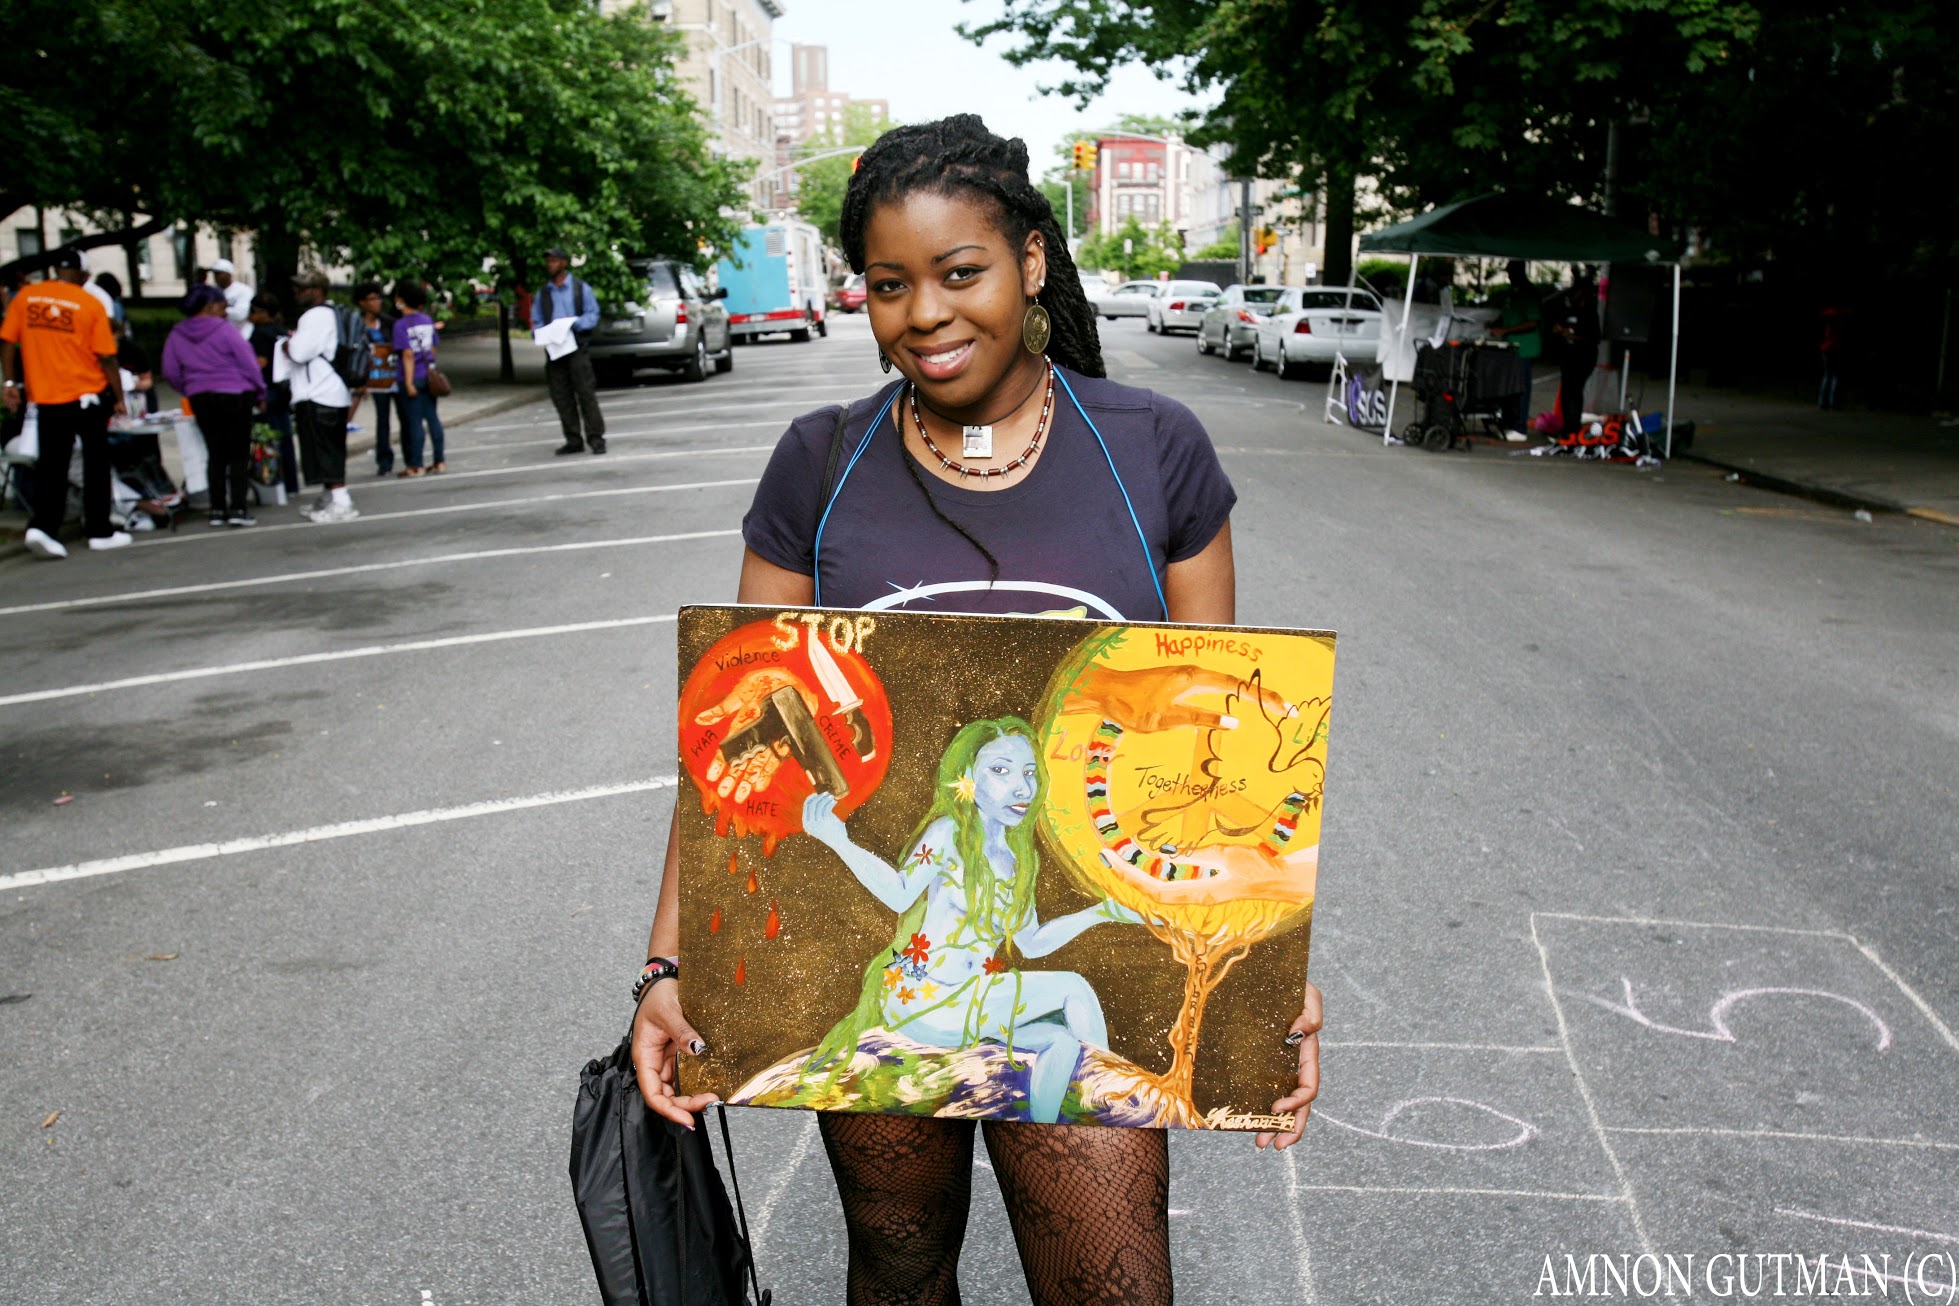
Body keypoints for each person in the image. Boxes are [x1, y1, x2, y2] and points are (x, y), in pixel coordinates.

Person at [628, 115, 1323, 1306]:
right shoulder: (819, 461)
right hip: (891, 981)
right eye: (890, 285)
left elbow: (1220, 746)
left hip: (1019, 977)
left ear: (1032, 263)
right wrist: (668, 963)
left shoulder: (1154, 450)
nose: (926, 314)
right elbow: (737, 752)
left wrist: (1263, 969)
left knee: (1112, 1285)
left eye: (962, 273)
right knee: (898, 1272)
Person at [798, 718, 1144, 1125]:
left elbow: (1030, 942)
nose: (1021, 787)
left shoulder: (1017, 860)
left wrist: (1100, 912)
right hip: (927, 1000)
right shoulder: (948, 834)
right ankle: (1107, 1112)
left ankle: (1044, 1130)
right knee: (1074, 988)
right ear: (967, 779)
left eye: (1029, 773)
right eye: (1000, 770)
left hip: (972, 999)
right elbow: (899, 891)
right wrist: (839, 840)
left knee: (1060, 1043)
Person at [1, 247, 129, 558]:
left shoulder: (27, 298)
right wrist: (119, 397)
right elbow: (107, 356)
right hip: (87, 395)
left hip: (46, 395)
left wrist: (8, 383)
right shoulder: (90, 303)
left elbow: (7, 340)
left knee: (52, 465)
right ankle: (99, 530)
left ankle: (43, 527)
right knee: (95, 462)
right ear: (84, 276)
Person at [163, 284, 267, 527]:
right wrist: (260, 390)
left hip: (200, 396)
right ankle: (239, 508)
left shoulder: (177, 334)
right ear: (209, 306)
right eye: (222, 306)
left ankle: (217, 508)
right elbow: (248, 362)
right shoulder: (225, 330)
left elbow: (169, 370)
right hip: (235, 393)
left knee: (216, 453)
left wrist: (189, 387)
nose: (225, 312)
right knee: (239, 453)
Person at [281, 269, 358, 523]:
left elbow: (299, 353)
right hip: (334, 391)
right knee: (331, 446)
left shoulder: (314, 317)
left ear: (316, 291)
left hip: (318, 392)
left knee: (325, 449)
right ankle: (330, 496)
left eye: (301, 289)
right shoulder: (334, 313)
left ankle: (341, 500)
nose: (296, 293)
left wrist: (286, 345)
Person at [530, 246, 605, 455]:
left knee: (585, 393)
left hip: (576, 347)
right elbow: (536, 319)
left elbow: (592, 314)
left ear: (563, 263)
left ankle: (596, 437)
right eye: (548, 261)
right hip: (554, 350)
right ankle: (573, 439)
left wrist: (575, 324)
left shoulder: (580, 288)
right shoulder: (544, 292)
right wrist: (538, 332)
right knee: (561, 396)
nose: (550, 265)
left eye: (554, 261)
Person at [392, 281, 446, 474]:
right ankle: (439, 460)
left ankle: (416, 464)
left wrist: (408, 383)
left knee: (414, 421)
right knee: (432, 418)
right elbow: (432, 348)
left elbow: (407, 354)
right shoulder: (427, 321)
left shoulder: (400, 325)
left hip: (411, 376)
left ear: (401, 300)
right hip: (428, 373)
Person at [249, 294, 299, 499]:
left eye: (252, 310)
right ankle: (291, 484)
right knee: (285, 437)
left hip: (267, 389)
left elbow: (258, 365)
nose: (249, 315)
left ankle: (272, 481)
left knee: (268, 440)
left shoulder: (259, 334)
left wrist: (257, 394)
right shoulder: (281, 332)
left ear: (263, 312)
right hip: (284, 389)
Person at [1487, 259, 1543, 437]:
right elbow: (1507, 315)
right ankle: (1508, 421)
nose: (1509, 276)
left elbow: (1532, 322)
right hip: (1510, 346)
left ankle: (1520, 427)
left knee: (1521, 388)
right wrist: (1495, 324)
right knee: (1509, 387)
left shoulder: (1530, 293)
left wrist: (1505, 330)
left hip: (1524, 347)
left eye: (1512, 273)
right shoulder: (1512, 293)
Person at [348, 282, 398, 475]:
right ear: (362, 302)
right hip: (373, 379)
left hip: (392, 375)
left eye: (378, 298)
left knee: (405, 416)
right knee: (382, 418)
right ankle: (384, 460)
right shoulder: (357, 325)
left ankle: (413, 458)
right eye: (372, 299)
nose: (377, 302)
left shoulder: (388, 322)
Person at [1545, 269, 1601, 436]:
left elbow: (1594, 337)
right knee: (1566, 390)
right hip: (1568, 355)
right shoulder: (1569, 310)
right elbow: (1559, 325)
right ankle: (1567, 425)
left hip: (1584, 356)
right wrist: (1559, 330)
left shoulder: (1590, 313)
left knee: (1575, 390)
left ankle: (1573, 426)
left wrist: (1574, 336)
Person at [210, 258, 254, 339]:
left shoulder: (243, 290)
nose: (216, 277)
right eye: (215, 274)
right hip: (218, 335)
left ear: (229, 274)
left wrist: (219, 312)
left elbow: (241, 314)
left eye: (219, 273)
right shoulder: (212, 291)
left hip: (240, 334)